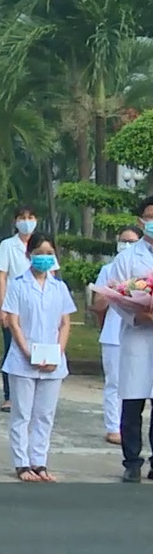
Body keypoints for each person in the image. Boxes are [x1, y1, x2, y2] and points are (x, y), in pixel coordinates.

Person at [1, 233, 71, 482]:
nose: (44, 258)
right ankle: (21, 463)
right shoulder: (18, 285)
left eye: (49, 253)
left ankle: (39, 461)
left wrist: (58, 352)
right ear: (28, 254)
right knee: (22, 413)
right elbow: (14, 322)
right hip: (23, 360)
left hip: (53, 359)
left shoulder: (59, 287)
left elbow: (64, 323)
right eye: (39, 253)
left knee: (45, 414)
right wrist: (27, 351)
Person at [102, 197, 153, 482]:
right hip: (136, 336)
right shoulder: (127, 258)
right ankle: (132, 460)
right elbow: (117, 297)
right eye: (149, 216)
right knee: (133, 401)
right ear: (140, 221)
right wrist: (140, 316)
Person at [94, 224, 142, 446]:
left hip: (139, 332)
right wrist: (114, 292)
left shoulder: (144, 270)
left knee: (137, 385)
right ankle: (113, 426)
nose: (126, 245)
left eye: (131, 241)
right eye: (123, 240)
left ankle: (132, 428)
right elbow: (99, 305)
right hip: (113, 334)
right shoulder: (108, 269)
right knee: (114, 382)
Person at [0, 206, 42, 413]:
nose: (26, 221)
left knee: (36, 347)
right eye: (22, 217)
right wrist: (3, 307)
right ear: (15, 222)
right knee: (11, 349)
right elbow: (2, 276)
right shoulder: (8, 245)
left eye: (30, 217)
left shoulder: (41, 244)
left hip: (37, 305)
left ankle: (34, 394)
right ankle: (9, 395)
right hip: (13, 305)